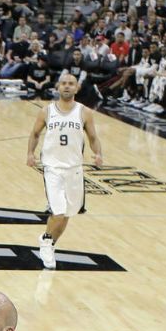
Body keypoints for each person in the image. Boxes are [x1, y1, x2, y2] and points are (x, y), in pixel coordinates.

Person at [26, 73, 104, 270]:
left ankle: (50, 244)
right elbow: (35, 134)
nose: (67, 87)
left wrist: (98, 154)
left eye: (71, 84)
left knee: (68, 212)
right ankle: (45, 240)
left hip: (74, 168)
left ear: (77, 88)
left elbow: (93, 137)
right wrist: (30, 153)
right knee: (58, 211)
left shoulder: (84, 112)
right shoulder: (47, 111)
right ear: (58, 87)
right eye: (64, 84)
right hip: (52, 167)